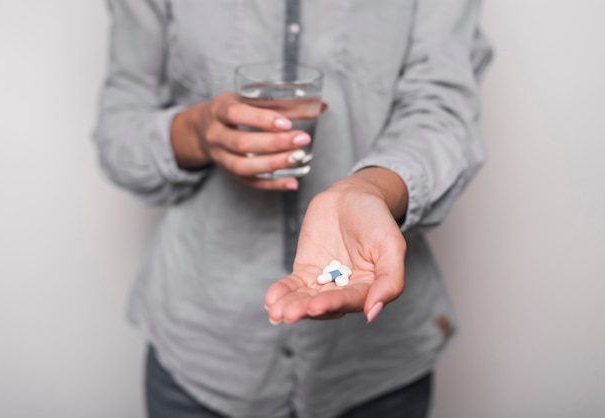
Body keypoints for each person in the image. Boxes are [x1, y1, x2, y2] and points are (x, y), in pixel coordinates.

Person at [93, 1, 493, 417]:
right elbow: (119, 131)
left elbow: (444, 113)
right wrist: (199, 133)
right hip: (200, 354)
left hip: (376, 368)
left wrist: (372, 188)